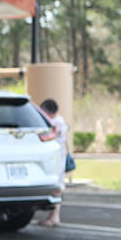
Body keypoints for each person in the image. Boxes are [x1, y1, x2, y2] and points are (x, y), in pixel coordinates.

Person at [40, 97, 69, 227]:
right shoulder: (62, 122)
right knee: (58, 185)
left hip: (54, 159)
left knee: (56, 187)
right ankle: (53, 216)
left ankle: (55, 216)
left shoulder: (53, 123)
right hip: (60, 157)